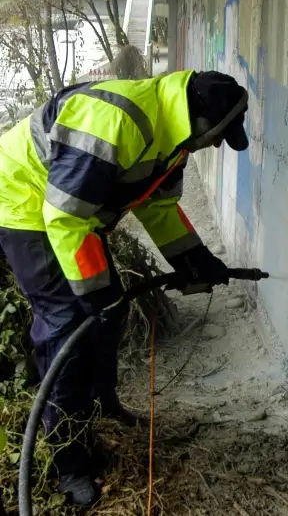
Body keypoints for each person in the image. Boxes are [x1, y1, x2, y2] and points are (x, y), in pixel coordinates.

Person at [0, 70, 249, 506]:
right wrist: (97, 297)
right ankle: (67, 463)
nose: (214, 146)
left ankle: (101, 404)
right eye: (218, 136)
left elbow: (160, 208)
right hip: (25, 205)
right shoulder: (116, 120)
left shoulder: (175, 141)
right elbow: (65, 218)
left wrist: (197, 261)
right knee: (69, 328)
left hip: (67, 217)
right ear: (202, 121)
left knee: (109, 315)